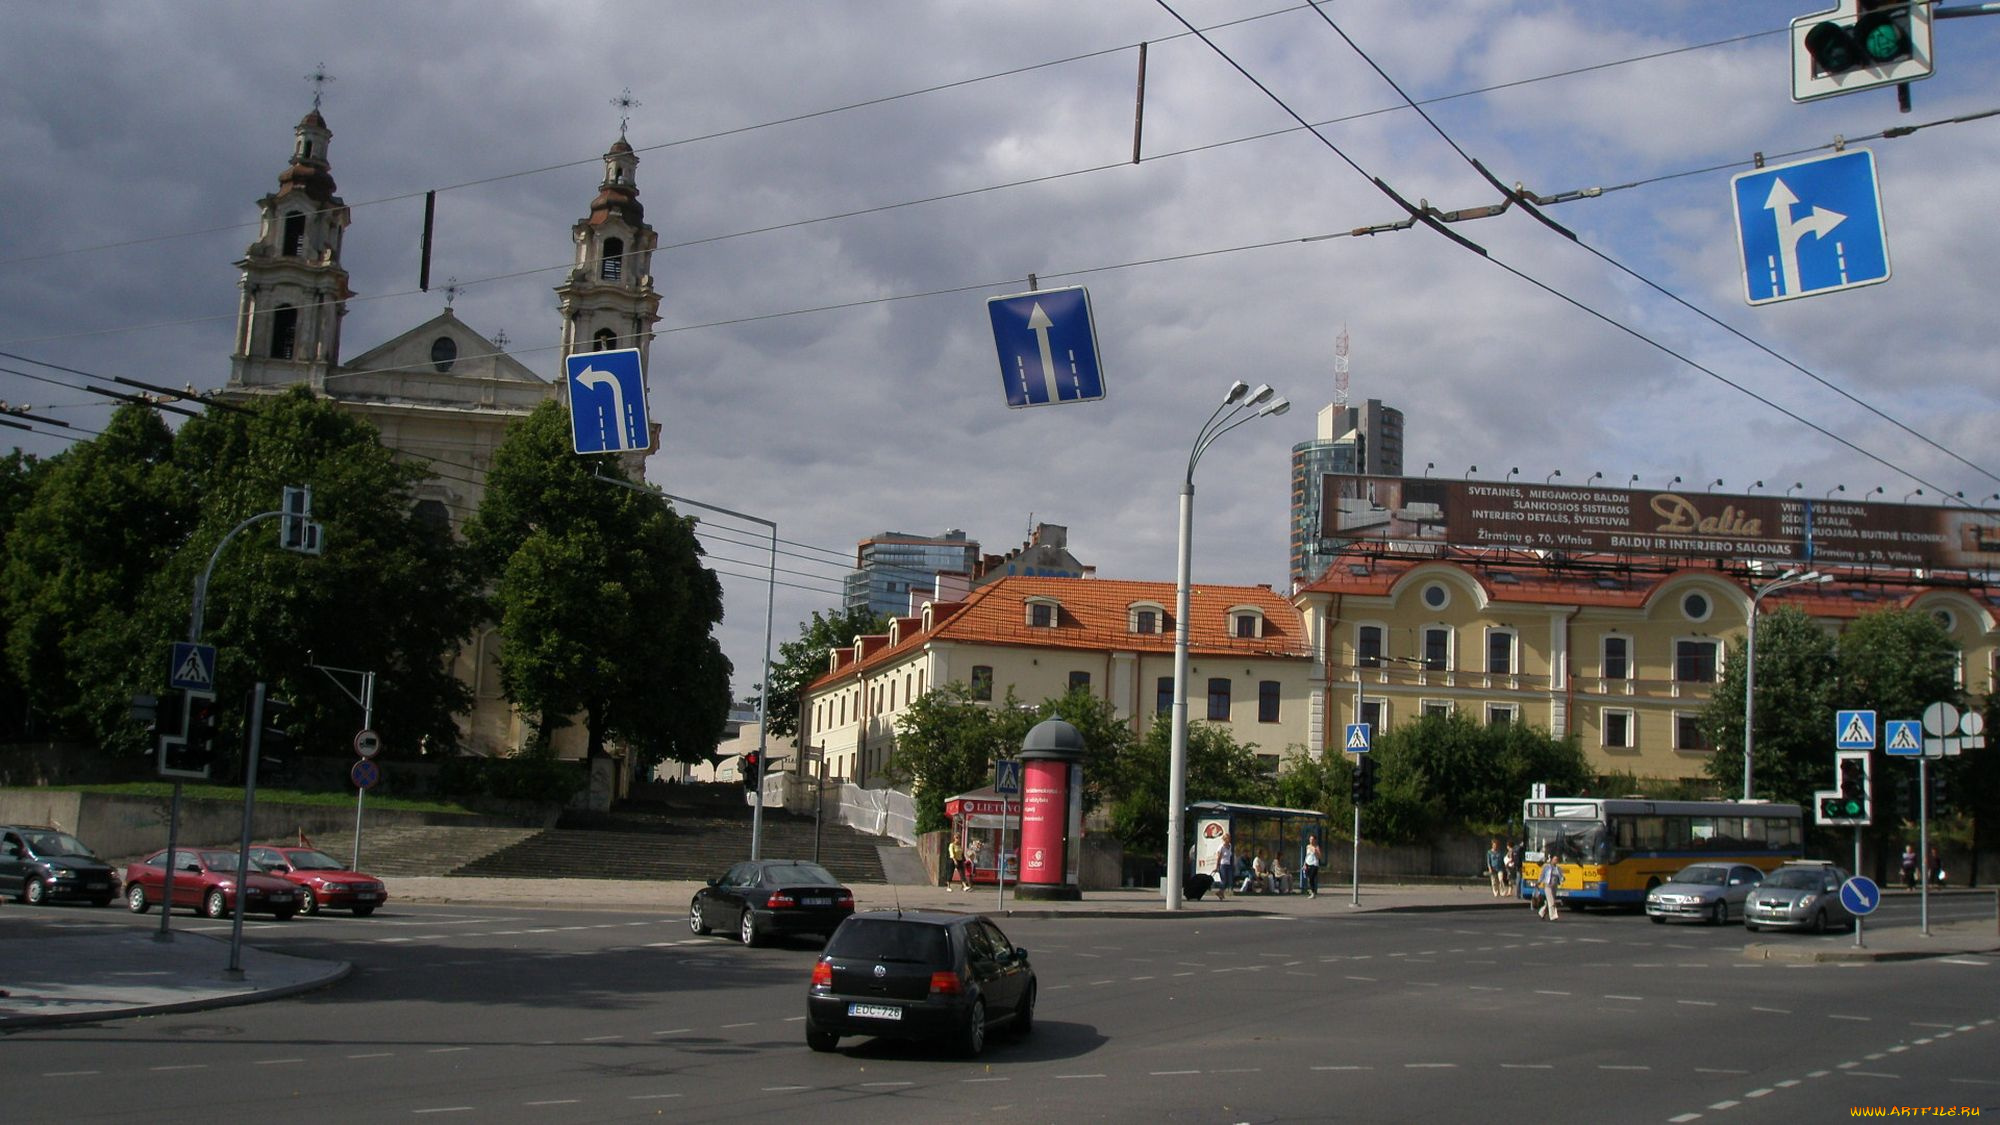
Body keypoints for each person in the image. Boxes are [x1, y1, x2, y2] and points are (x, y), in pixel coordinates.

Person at [1538, 854, 1562, 922]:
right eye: (1555, 859)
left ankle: (1541, 912)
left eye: (1557, 860)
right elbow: (1542, 875)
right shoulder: (1547, 867)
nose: (1556, 861)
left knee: (1549, 901)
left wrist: (1562, 879)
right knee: (1551, 901)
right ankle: (1553, 916)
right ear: (1551, 860)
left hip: (1555, 886)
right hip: (1548, 885)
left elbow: (1561, 875)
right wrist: (1539, 882)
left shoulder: (1558, 868)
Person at [1214, 835, 1234, 901]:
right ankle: (1220, 892)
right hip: (1223, 865)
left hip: (1228, 864)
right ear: (1225, 839)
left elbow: (1230, 855)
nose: (1229, 840)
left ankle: (1220, 892)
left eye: (1229, 838)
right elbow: (1219, 857)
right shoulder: (1221, 847)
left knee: (1229, 880)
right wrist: (1217, 866)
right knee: (1224, 880)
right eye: (1228, 838)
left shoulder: (1230, 846)